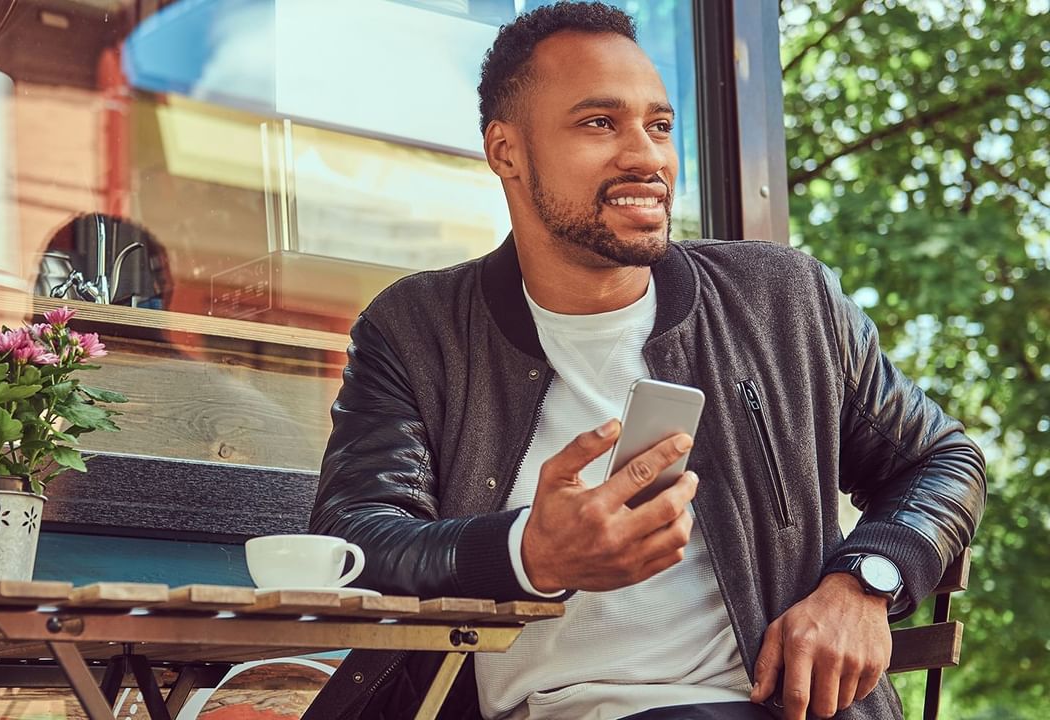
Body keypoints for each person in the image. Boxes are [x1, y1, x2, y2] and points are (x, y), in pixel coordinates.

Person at [302, 3, 986, 719]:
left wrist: (865, 583)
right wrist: (527, 555)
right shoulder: (418, 330)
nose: (647, 155)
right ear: (506, 151)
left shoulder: (782, 299)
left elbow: (942, 458)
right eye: (600, 123)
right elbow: (357, 538)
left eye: (658, 125)